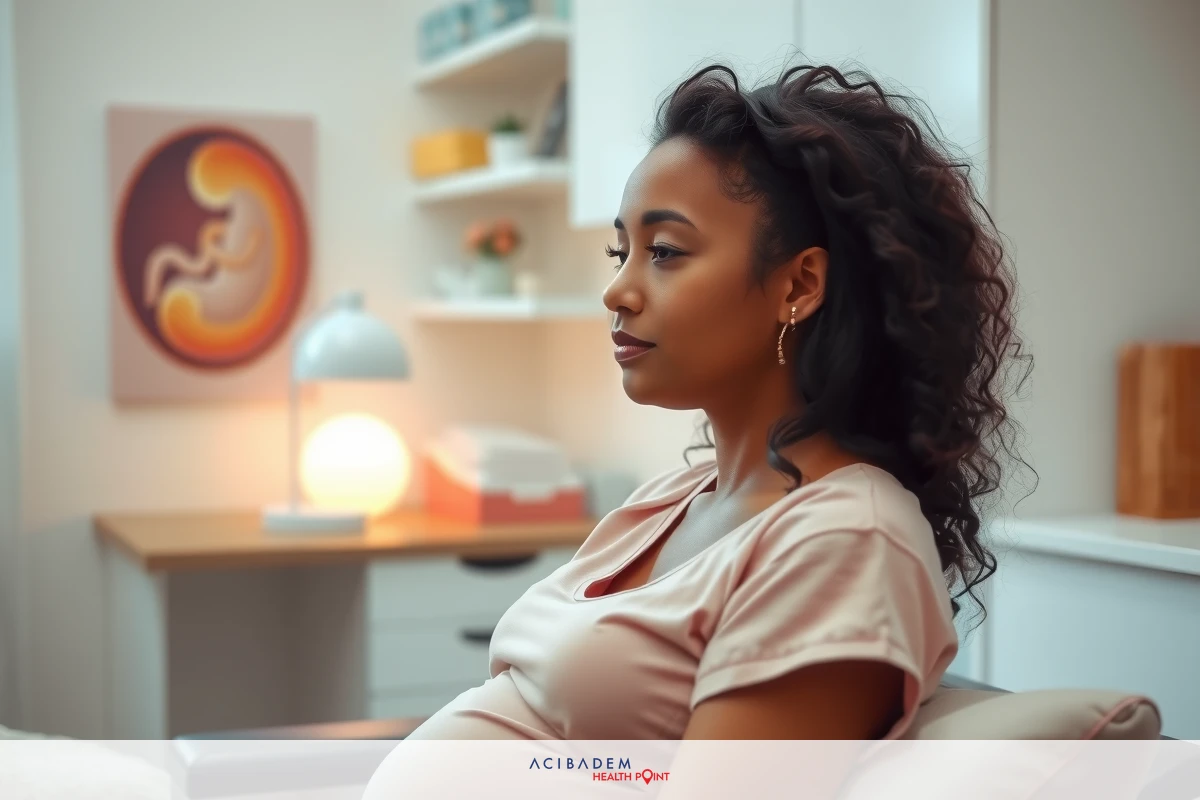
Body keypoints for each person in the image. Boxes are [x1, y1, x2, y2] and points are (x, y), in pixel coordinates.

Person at [382, 61, 1028, 745]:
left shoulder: (846, 540)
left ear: (799, 285)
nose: (617, 291)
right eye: (620, 250)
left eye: (663, 251)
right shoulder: (670, 502)